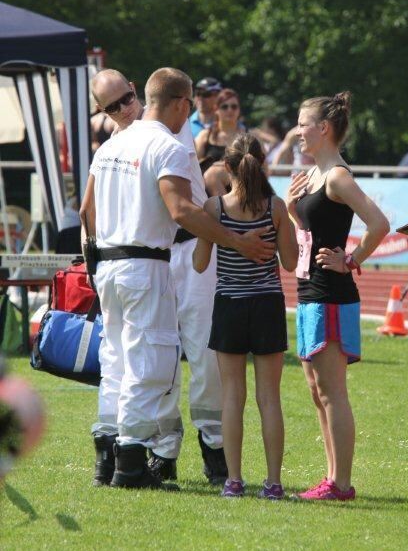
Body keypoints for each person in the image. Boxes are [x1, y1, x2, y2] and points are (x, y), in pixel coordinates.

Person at [80, 68, 275, 490]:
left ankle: (111, 453)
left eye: (124, 101)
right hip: (153, 256)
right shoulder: (166, 143)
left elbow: (86, 212)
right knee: (152, 361)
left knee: (118, 359)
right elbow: (183, 210)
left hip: (118, 260)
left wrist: (95, 260)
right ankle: (134, 460)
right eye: (111, 107)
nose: (121, 110)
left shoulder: (113, 144)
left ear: (139, 93)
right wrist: (238, 241)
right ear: (184, 105)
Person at [285, 92, 389, 500]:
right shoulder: (314, 175)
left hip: (331, 293)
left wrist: (352, 258)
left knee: (332, 391)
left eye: (302, 123)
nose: (297, 131)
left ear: (323, 129)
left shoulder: (337, 177)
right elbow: (312, 233)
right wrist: (294, 209)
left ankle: (341, 483)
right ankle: (331, 477)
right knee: (316, 390)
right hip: (310, 289)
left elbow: (379, 222)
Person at [193, 133, 298, 498]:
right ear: (262, 163)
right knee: (269, 397)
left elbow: (199, 262)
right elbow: (290, 262)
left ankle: (234, 480)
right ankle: (273, 483)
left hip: (230, 305)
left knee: (232, 396)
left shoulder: (214, 208)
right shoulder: (276, 207)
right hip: (267, 303)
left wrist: (215, 236)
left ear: (227, 167)